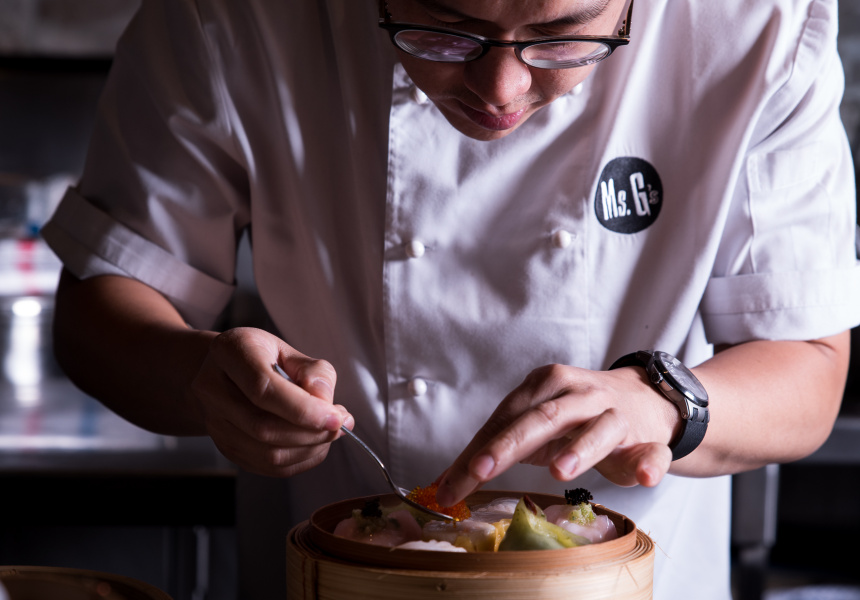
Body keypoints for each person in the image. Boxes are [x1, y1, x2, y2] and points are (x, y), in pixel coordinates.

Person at [42, 0, 860, 598]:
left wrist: (665, 402)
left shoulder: (756, 26)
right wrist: (201, 379)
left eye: (562, 35)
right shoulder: (234, 17)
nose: (501, 88)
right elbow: (98, 310)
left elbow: (811, 366)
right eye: (443, 27)